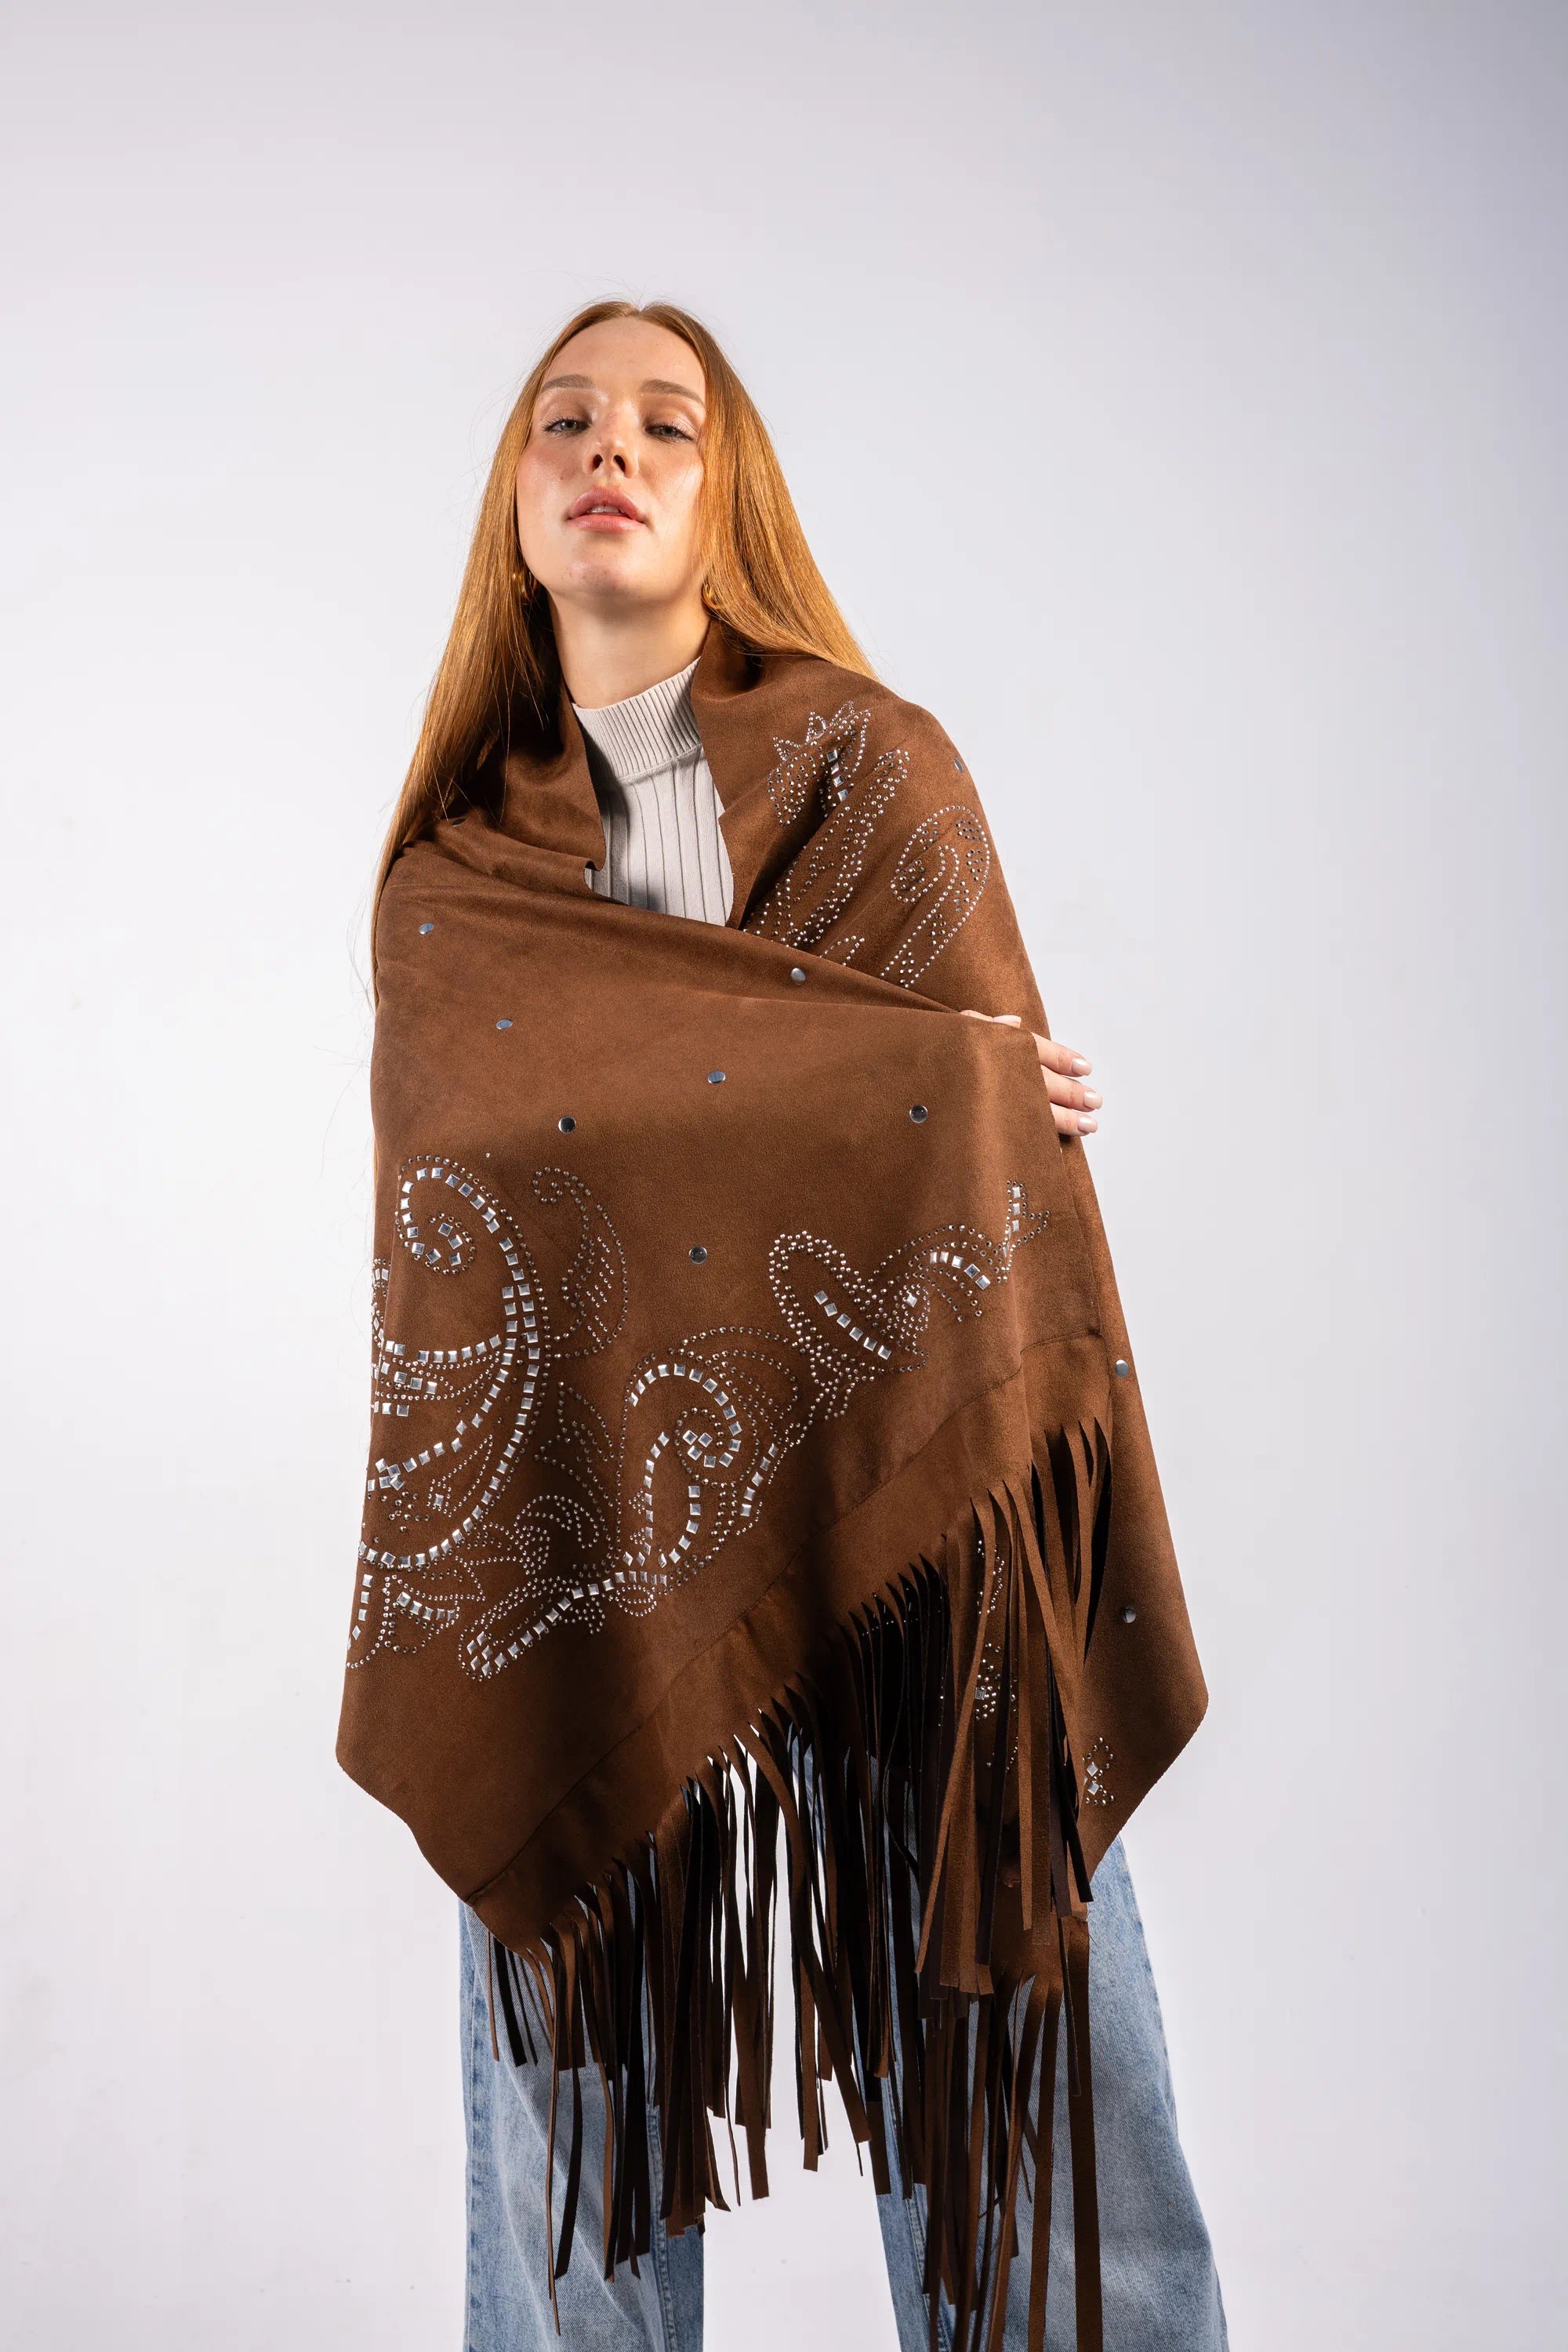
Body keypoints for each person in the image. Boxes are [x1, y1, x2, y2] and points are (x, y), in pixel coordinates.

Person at [383, 298, 1225, 2350]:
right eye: (566, 420)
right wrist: (913, 1085)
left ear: (723, 489)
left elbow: (983, 1155)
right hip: (594, 1532)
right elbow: (499, 1167)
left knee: (1047, 2105)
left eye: (667, 425)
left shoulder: (877, 763)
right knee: (568, 2155)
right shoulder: (459, 869)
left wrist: (947, 1098)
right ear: (514, 503)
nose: (615, 448)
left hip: (907, 1512)